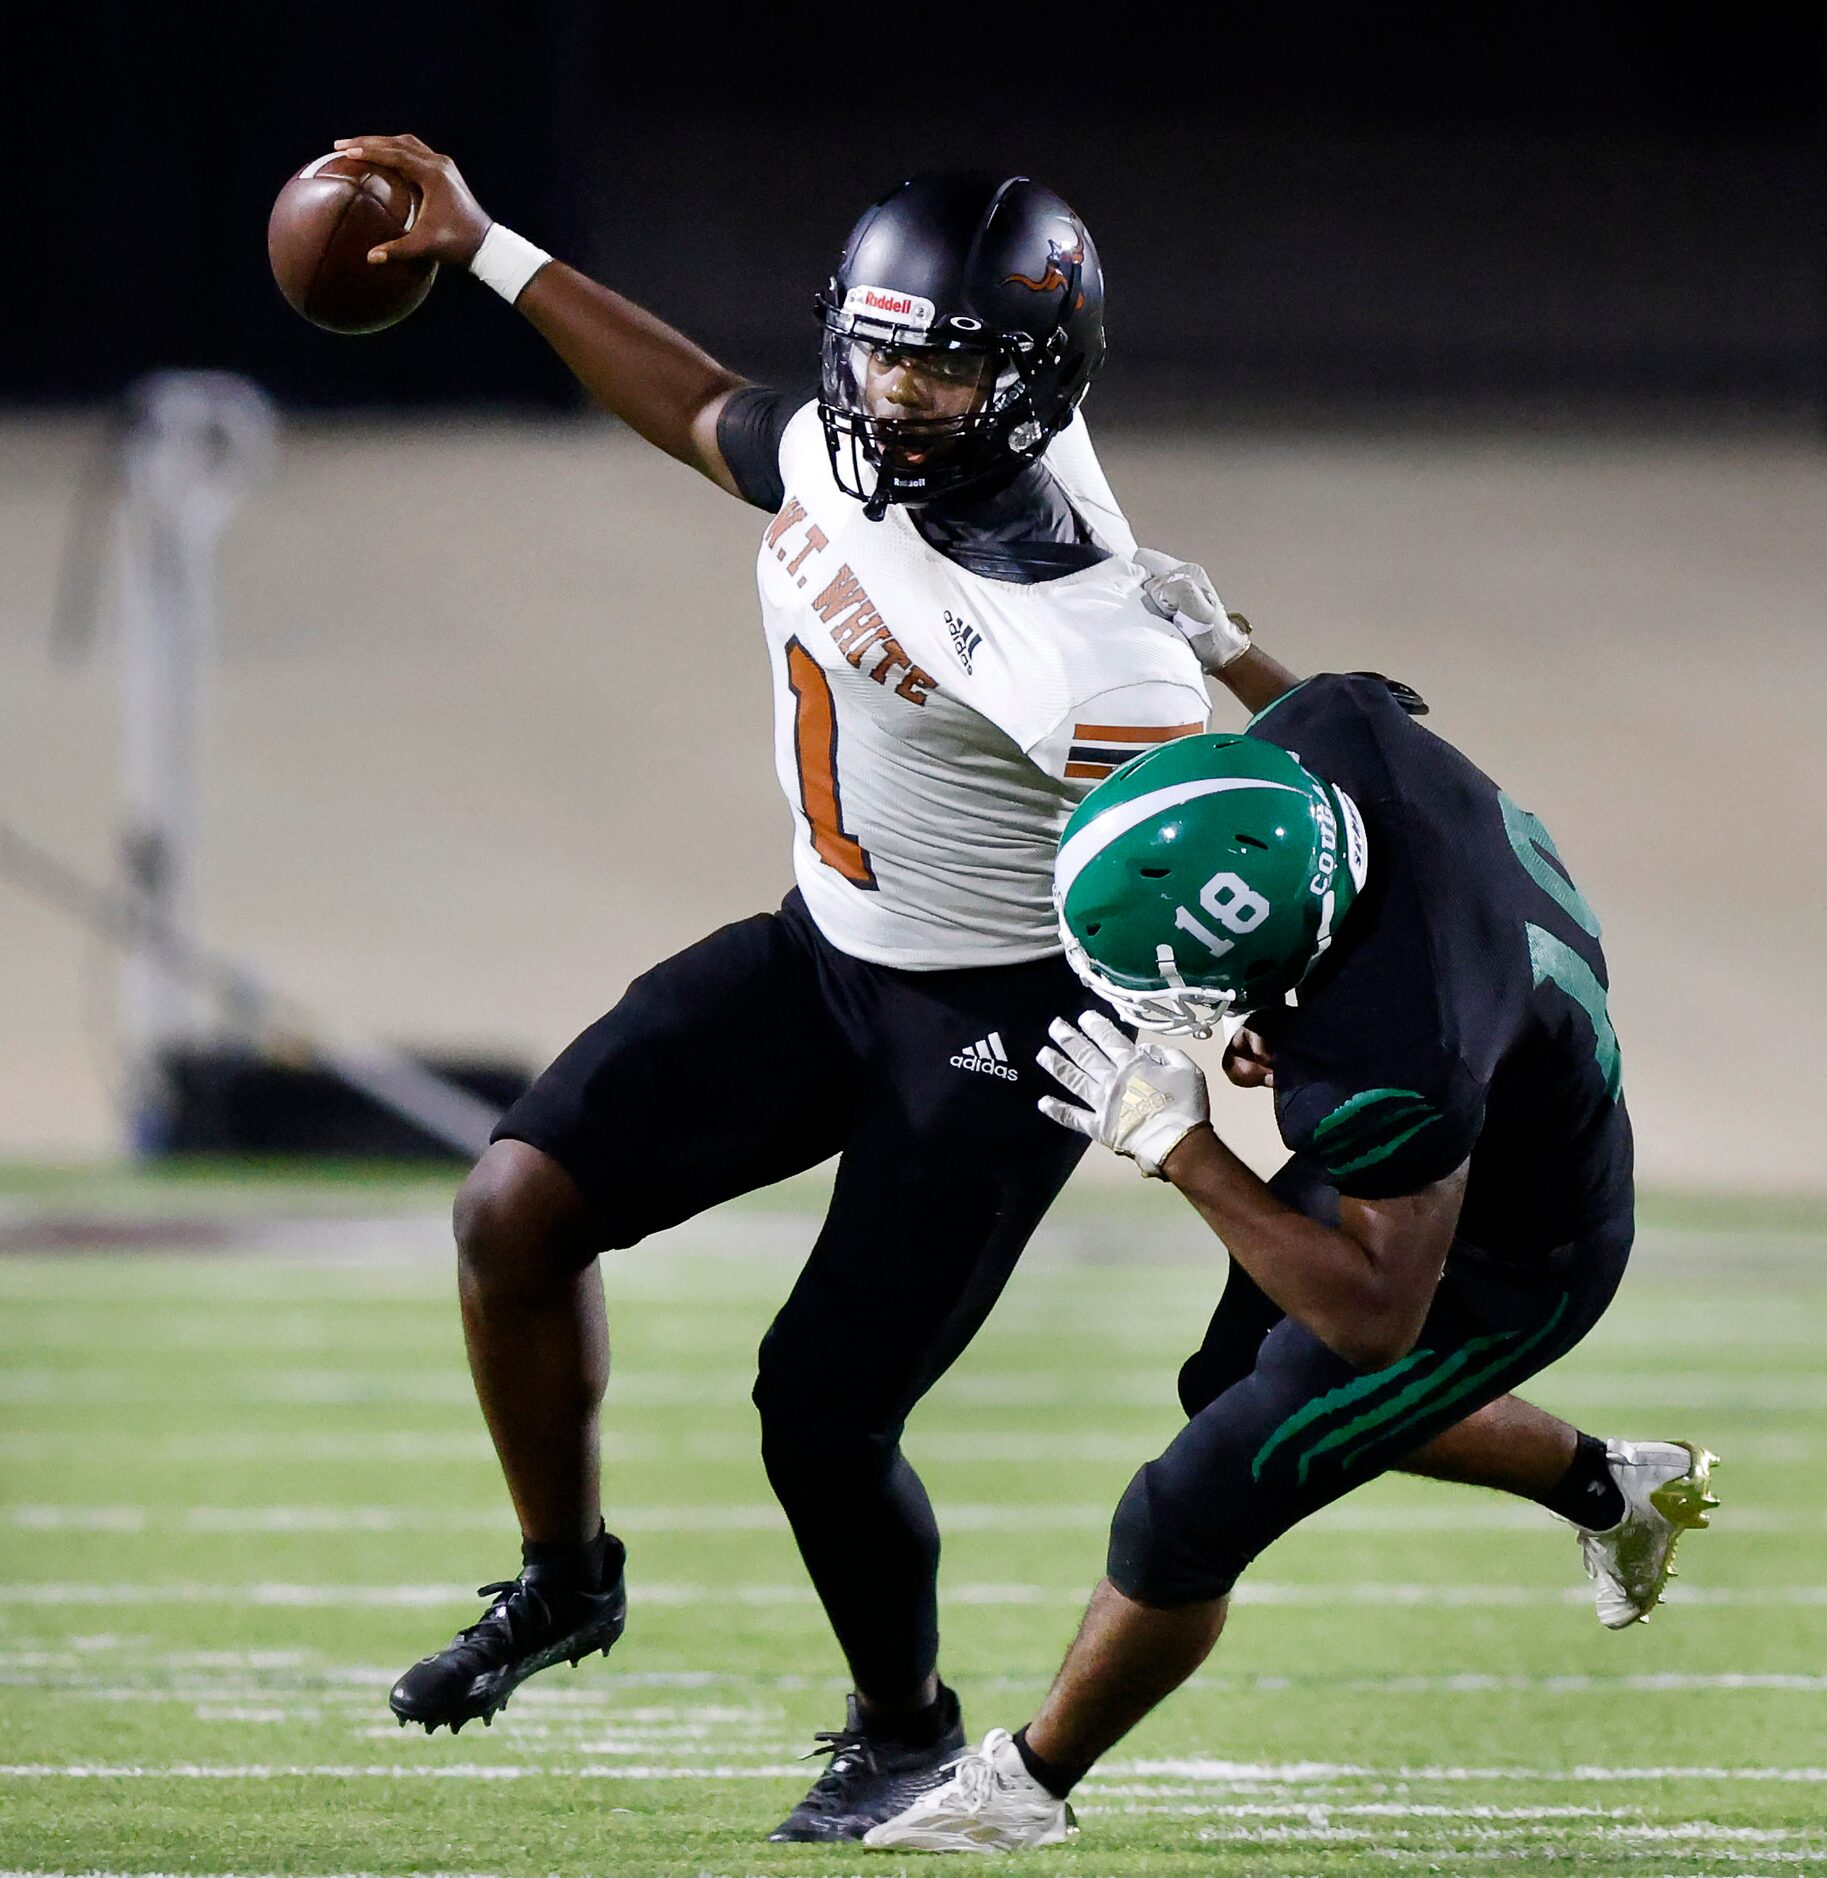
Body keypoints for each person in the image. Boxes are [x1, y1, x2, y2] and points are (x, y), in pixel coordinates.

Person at [326, 137, 1224, 1840]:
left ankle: (903, 1724)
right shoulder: (864, 441)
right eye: (880, 347)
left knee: (817, 1409)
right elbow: (708, 414)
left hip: (1003, 1018)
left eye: (947, 364)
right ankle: (564, 1574)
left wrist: (1231, 1037)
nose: (895, 391)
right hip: (830, 951)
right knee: (513, 1207)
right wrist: (490, 246)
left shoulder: (1083, 640)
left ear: (1034, 386)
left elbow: (1212, 862)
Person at [864, 601, 1720, 1853]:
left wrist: (1182, 1147)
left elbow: (1374, 1320)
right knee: (1226, 1383)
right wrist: (1230, 648)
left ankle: (1027, 1790)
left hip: (1509, 1259)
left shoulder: (1390, 1060)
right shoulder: (1340, 733)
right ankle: (1612, 1485)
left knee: (1190, 1507)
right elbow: (1306, 706)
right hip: (1476, 1136)